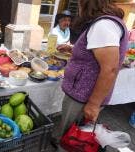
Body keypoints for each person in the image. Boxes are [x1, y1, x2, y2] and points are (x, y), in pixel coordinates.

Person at [56, 0, 128, 151]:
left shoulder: (103, 25)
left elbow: (110, 69)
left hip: (83, 96)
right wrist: (73, 49)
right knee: (73, 130)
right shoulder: (105, 23)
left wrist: (94, 104)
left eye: (81, 3)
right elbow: (94, 55)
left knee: (71, 134)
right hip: (82, 93)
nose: (79, 8)